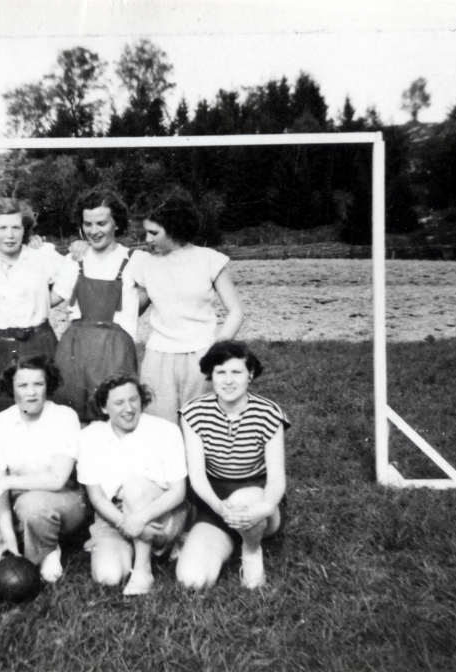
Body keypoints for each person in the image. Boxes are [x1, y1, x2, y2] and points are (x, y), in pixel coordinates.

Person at [0, 356, 87, 586]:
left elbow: (57, 479)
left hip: (63, 500)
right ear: (11, 388)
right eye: (23, 385)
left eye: (38, 384)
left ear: (48, 386)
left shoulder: (64, 416)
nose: (31, 393)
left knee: (31, 506)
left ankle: (47, 550)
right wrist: (8, 538)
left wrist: (5, 484)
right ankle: (24, 539)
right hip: (15, 503)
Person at [176, 341, 289, 590]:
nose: (228, 381)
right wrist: (218, 507)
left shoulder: (269, 413)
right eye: (220, 372)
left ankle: (251, 550)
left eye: (236, 372)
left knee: (243, 502)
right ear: (211, 376)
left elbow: (276, 476)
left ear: (250, 375)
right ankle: (229, 537)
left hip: (257, 496)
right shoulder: (193, 412)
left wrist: (266, 507)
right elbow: (197, 476)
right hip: (214, 500)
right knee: (191, 580)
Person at [128, 186, 245, 425]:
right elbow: (132, 309)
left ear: (173, 228)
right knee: (159, 427)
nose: (147, 239)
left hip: (201, 355)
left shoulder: (209, 260)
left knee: (201, 426)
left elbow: (236, 312)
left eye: (153, 232)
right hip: (158, 357)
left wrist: (217, 348)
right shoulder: (145, 264)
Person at [77, 375, 188, 595]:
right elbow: (97, 497)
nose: (128, 408)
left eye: (133, 400)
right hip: (114, 517)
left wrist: (139, 518)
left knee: (135, 487)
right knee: (108, 576)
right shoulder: (89, 436)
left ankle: (142, 569)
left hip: (161, 513)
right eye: (119, 403)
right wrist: (125, 522)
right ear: (104, 407)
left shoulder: (165, 431)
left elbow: (178, 492)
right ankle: (138, 548)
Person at [51, 189, 147, 423]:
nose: (94, 231)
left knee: (115, 414)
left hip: (116, 350)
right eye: (88, 224)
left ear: (117, 224)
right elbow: (51, 299)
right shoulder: (74, 259)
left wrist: (132, 310)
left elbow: (152, 296)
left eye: (101, 223)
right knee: (71, 415)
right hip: (75, 349)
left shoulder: (135, 260)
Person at [0, 198, 65, 416]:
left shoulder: (41, 255)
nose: (9, 235)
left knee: (47, 411)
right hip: (1, 347)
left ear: (25, 230)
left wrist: (46, 301)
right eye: (2, 227)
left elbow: (71, 275)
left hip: (40, 342)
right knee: (0, 410)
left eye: (16, 227)